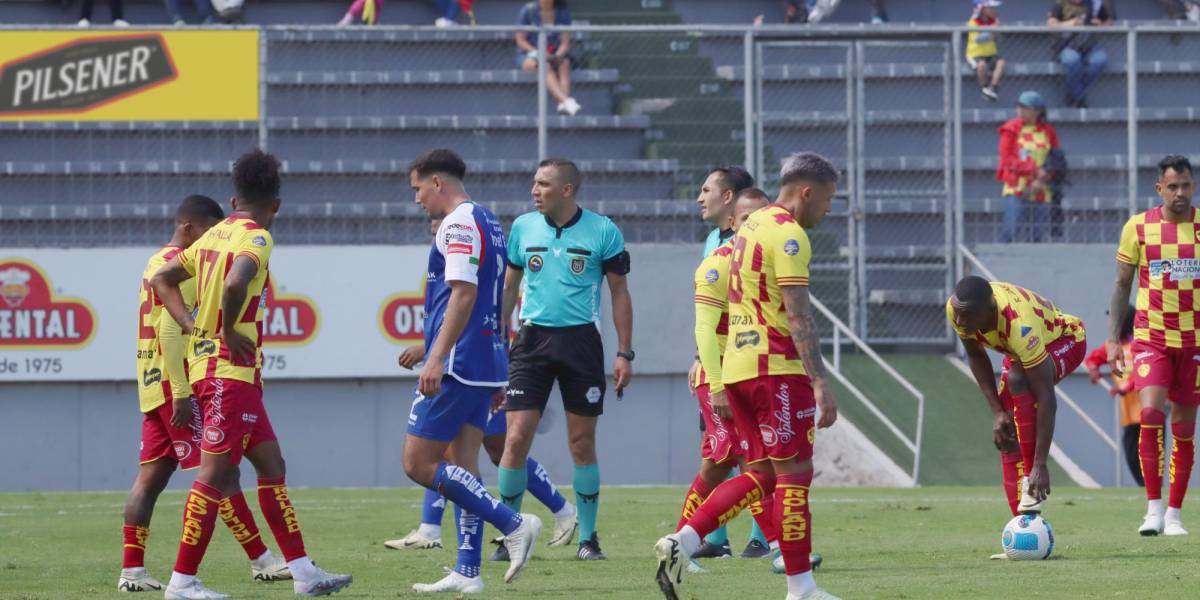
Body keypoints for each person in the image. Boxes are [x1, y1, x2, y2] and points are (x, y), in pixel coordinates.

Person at [150, 151, 352, 600]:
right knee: (215, 474)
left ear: (233, 197)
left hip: (230, 375)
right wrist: (223, 329)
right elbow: (235, 284)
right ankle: (181, 582)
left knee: (271, 464)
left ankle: (303, 572)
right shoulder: (257, 238)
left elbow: (163, 279)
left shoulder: (212, 235)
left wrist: (191, 325)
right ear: (275, 204)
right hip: (225, 374)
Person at [656, 152, 842, 600]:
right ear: (807, 192)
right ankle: (801, 588)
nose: (829, 209)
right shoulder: (789, 234)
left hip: (738, 369)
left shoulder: (750, 226)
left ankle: (682, 540)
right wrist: (819, 381)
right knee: (795, 474)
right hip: (775, 369)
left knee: (761, 475)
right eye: (829, 199)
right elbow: (798, 318)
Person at [120, 195, 290, 593]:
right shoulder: (190, 264)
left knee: (151, 478)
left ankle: (132, 571)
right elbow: (169, 329)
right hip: (174, 381)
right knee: (220, 472)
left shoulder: (155, 260)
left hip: (151, 380)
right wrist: (181, 390)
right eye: (208, 231)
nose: (214, 239)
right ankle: (261, 560)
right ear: (187, 228)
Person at [385, 220, 577, 555]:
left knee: (500, 450)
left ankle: (556, 512)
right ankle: (439, 536)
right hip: (475, 370)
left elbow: (481, 318)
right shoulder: (460, 260)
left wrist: (488, 370)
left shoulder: (470, 263)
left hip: (475, 372)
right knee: (455, 452)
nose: (433, 223)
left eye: (437, 218)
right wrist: (426, 350)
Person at [399, 148, 543, 593]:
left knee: (419, 463)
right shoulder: (488, 221)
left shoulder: (459, 222)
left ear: (437, 182)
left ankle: (514, 522)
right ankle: (468, 570)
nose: (418, 198)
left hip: (460, 363)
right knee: (463, 465)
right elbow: (493, 297)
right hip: (483, 360)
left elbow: (463, 294)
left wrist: (436, 357)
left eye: (418, 188)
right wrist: (496, 367)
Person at [499, 158, 634, 562]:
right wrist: (497, 336)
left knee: (581, 441)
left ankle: (588, 539)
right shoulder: (523, 227)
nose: (534, 190)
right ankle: (510, 534)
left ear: (567, 190)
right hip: (531, 342)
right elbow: (509, 287)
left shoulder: (603, 231)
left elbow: (620, 294)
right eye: (534, 182)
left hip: (581, 344)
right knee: (516, 438)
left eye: (543, 183)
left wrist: (624, 352)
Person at [947, 277, 1086, 542]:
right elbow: (976, 356)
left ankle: (1031, 484)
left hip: (1065, 340)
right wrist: (998, 412)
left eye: (967, 316)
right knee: (1008, 429)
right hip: (1018, 355)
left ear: (989, 311)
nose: (960, 322)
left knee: (1019, 381)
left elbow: (1046, 397)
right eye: (958, 313)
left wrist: (1040, 465)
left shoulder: (1020, 325)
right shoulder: (957, 309)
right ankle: (1024, 532)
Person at [1108, 154, 1200, 536]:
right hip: (1153, 338)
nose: (1180, 193)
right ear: (1159, 188)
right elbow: (1122, 284)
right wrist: (1114, 339)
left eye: (1186, 186)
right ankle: (1153, 509)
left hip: (1194, 340)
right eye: (1173, 186)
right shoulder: (1138, 227)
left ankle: (1175, 515)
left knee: (1184, 428)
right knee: (1149, 415)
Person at [687, 166, 769, 560]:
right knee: (734, 460)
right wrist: (709, 373)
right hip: (720, 373)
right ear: (735, 215)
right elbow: (706, 322)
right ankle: (689, 539)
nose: (700, 197)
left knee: (738, 460)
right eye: (752, 219)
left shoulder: (764, 258)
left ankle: (764, 542)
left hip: (747, 369)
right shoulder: (716, 256)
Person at [1085, 307, 1143, 486]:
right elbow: (1093, 358)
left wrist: (1127, 387)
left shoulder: (1141, 343)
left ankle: (1152, 491)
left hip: (1150, 408)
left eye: (1116, 319)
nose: (1112, 324)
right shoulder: (1114, 345)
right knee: (1132, 453)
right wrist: (1094, 369)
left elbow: (1144, 371)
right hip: (1129, 412)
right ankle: (1146, 489)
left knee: (1151, 452)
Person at [997, 91, 1060, 243]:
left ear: (1037, 111)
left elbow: (1056, 156)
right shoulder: (1010, 129)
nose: (1020, 111)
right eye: (1019, 107)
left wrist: (1045, 176)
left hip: (1041, 187)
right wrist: (1034, 170)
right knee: (1011, 229)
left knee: (1038, 234)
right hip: (1016, 186)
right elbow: (1007, 159)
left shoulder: (1048, 131)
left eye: (1025, 108)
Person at [515, 0, 581, 116]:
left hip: (552, 54)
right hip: (529, 54)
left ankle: (562, 106)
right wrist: (538, 52)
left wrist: (557, 55)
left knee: (564, 63)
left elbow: (565, 43)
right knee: (545, 66)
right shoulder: (528, 10)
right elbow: (520, 40)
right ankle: (566, 100)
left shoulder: (563, 12)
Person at [1047, 0, 1113, 108]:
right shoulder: (1060, 3)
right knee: (1072, 60)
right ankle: (1079, 96)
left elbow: (1109, 21)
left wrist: (1102, 25)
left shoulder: (1094, 3)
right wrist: (1069, 24)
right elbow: (1051, 23)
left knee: (1100, 60)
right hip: (1067, 45)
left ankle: (1072, 92)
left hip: (1089, 45)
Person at [967, 0, 1006, 102]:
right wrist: (994, 29)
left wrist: (998, 31)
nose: (993, 10)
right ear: (981, 9)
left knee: (1001, 62)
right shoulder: (973, 22)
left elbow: (999, 39)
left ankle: (993, 87)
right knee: (981, 65)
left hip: (990, 53)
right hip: (975, 54)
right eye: (990, 8)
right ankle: (984, 87)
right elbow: (979, 40)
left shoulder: (993, 21)